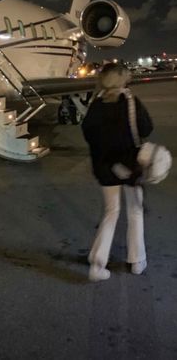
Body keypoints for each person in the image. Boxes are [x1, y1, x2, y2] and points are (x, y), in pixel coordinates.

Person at [81, 63, 153, 281]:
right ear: (123, 79)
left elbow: (88, 134)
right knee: (135, 212)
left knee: (111, 212)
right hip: (130, 166)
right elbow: (146, 128)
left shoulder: (95, 104)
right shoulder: (130, 102)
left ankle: (97, 263)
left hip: (105, 166)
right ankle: (137, 261)